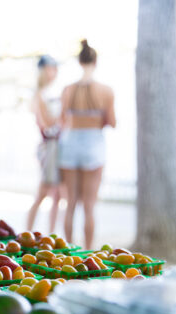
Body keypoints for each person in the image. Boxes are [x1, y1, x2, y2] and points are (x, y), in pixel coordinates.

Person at [59, 40, 116, 249]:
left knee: (70, 203)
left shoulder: (68, 90)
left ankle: (68, 251)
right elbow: (112, 122)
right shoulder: (106, 91)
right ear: (95, 62)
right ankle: (89, 252)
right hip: (93, 145)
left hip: (70, 144)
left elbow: (62, 120)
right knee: (89, 206)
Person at [26, 55, 63, 233]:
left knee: (56, 195)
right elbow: (47, 123)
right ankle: (27, 233)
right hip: (49, 147)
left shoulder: (49, 93)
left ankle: (51, 234)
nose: (53, 72)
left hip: (55, 147)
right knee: (43, 192)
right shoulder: (39, 95)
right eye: (50, 68)